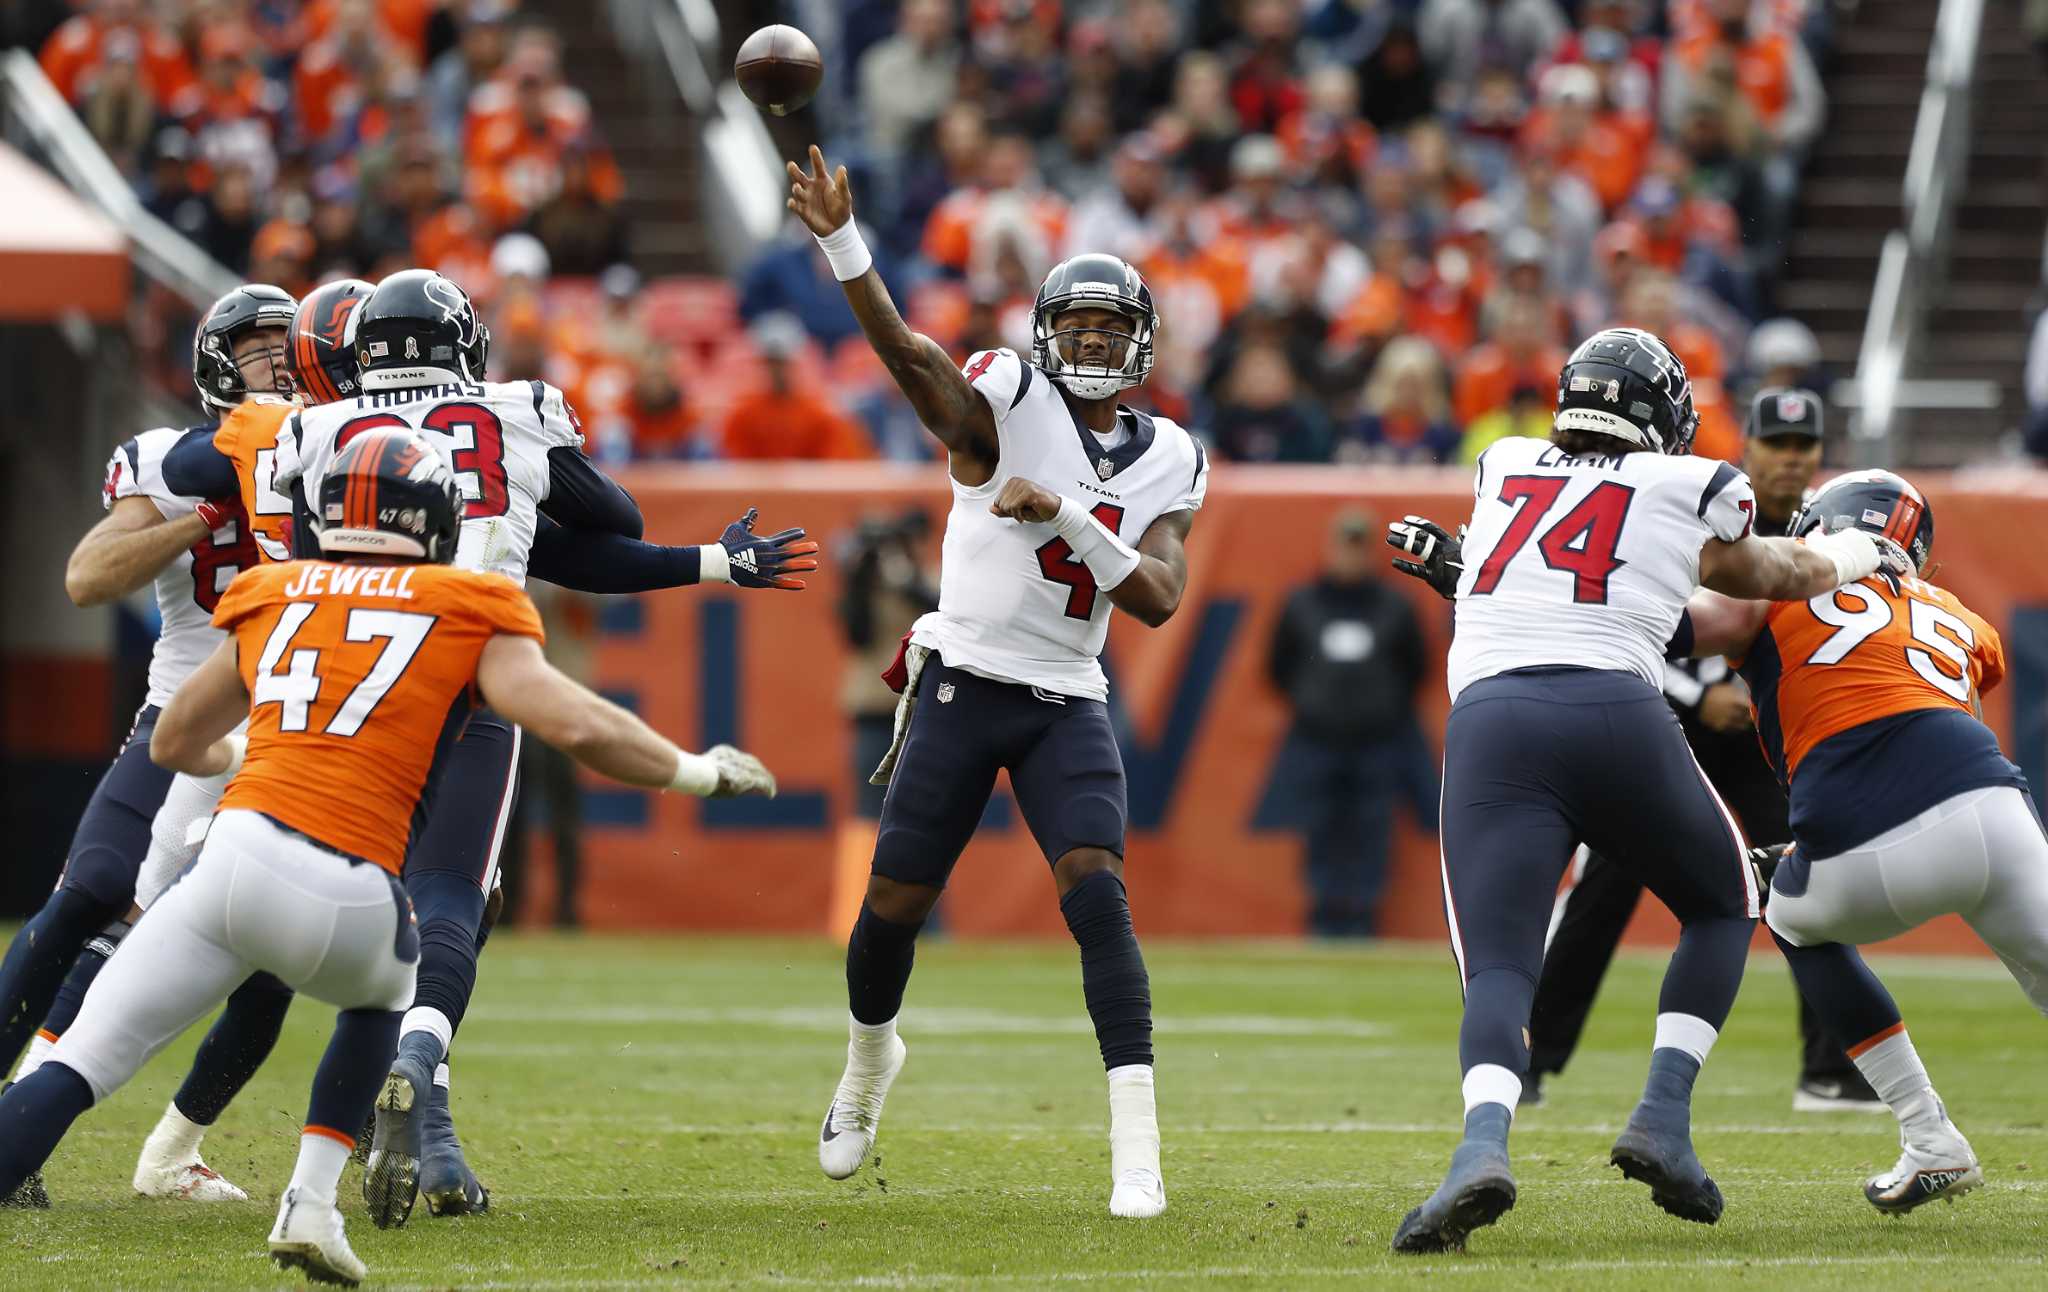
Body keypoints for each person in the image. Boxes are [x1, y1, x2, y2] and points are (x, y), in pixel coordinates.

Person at [0, 427, 777, 1284]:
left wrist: (230, 760)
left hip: (230, 861)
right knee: (391, 998)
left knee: (78, 1064)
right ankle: (309, 1204)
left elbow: (179, 737)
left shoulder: (272, 586)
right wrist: (700, 773)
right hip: (349, 886)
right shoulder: (466, 603)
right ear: (436, 517)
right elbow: (579, 725)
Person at [274, 269, 819, 1226]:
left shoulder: (319, 431)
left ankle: (413, 1133)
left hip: (336, 681)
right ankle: (414, 1065)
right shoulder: (511, 409)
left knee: (363, 914)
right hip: (468, 665)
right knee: (450, 899)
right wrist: (693, 557)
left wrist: (707, 560)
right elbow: (608, 525)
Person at [1379, 327, 1908, 1253]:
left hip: (1492, 723)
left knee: (1501, 966)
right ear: (1658, 414)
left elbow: (1536, 572)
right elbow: (1771, 573)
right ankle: (1662, 1112)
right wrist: (1863, 555)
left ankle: (1479, 1147)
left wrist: (1453, 571)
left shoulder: (1500, 462)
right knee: (1724, 900)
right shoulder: (1691, 479)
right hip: (1613, 710)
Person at [788, 145, 1208, 1218]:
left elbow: (1157, 598)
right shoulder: (1007, 395)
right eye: (1077, 330)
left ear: (1141, 342)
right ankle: (868, 1059)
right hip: (965, 682)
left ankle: (1135, 1146)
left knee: (1097, 893)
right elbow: (912, 361)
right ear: (1044, 337)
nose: (1094, 346)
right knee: (891, 905)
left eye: (1111, 331)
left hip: (1067, 695)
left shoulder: (1171, 455)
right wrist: (845, 244)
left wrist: (1068, 515)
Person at [0, 283, 294, 1210]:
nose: (282, 362)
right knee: (94, 889)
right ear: (216, 363)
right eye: (260, 349)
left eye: (290, 345)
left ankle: (177, 1149)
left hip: (298, 733)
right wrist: (208, 515)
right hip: (183, 720)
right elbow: (88, 578)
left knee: (278, 951)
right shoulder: (170, 461)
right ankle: (19, 1108)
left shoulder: (346, 446)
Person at [1680, 469, 2044, 1211]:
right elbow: (1963, 672)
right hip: (2000, 812)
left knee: (1788, 915)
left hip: (1875, 825)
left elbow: (1683, 626)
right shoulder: (1960, 614)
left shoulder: (1778, 592)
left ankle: (1929, 1134)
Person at [1525, 388, 1883, 1111]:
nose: (1790, 460)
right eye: (1777, 446)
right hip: (1672, 724)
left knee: (1813, 881)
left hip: (1759, 741)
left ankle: (1831, 1069)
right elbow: (1627, 612)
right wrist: (1695, 696)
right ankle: (1531, 1053)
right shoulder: (1707, 501)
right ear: (1748, 449)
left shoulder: (1829, 518)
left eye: (1802, 447)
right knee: (1605, 886)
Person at [1266, 511, 1431, 937]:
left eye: (1359, 547)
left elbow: (1417, 667)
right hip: (1317, 739)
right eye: (1345, 545)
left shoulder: (1395, 605)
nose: (1351, 557)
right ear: (1331, 546)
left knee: (1372, 831)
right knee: (1320, 829)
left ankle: (1362, 918)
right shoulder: (1302, 603)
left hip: (1377, 741)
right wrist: (1312, 703)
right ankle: (1324, 917)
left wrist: (1381, 706)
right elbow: (1278, 666)